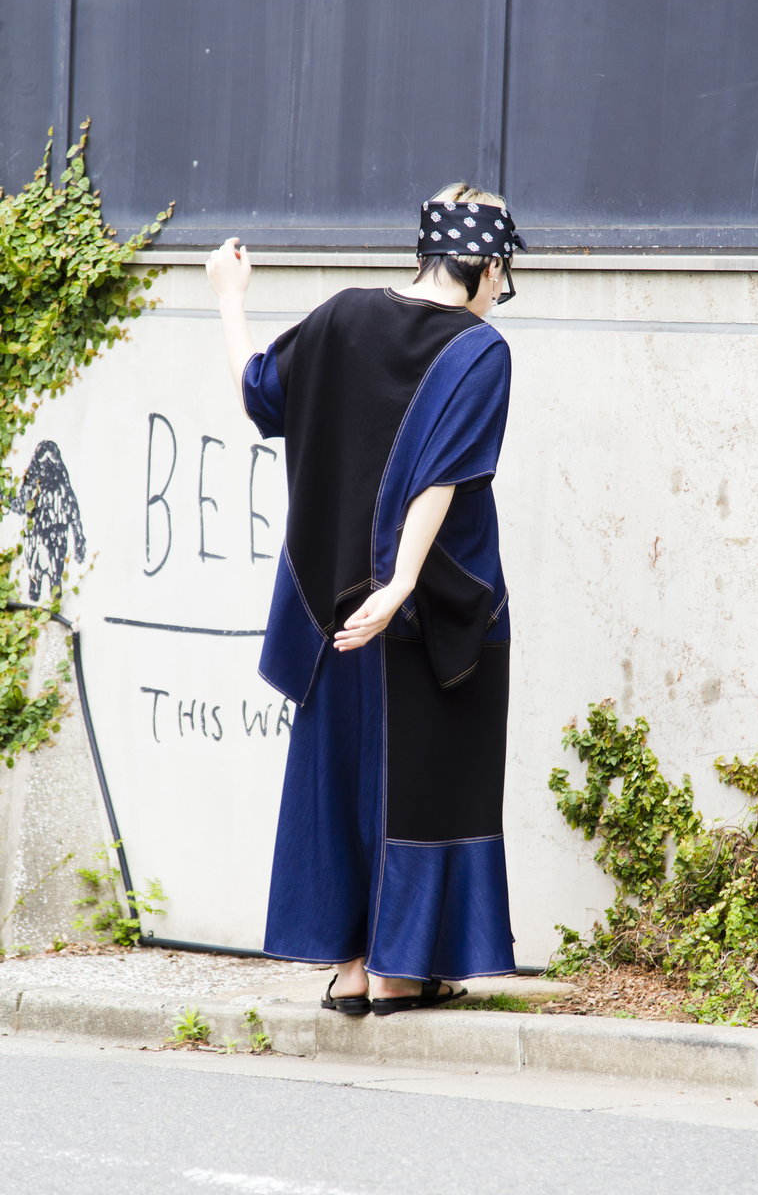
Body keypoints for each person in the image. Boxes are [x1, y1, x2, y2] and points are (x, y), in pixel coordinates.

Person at [206, 183, 524, 1015]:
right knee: (428, 782)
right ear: (489, 266)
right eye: (503, 275)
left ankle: (351, 969)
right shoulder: (480, 350)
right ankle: (397, 972)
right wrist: (403, 583)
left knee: (343, 776)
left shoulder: (343, 316)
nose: (499, 291)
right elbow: (443, 474)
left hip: (333, 606)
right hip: (435, 605)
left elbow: (258, 392)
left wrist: (230, 297)